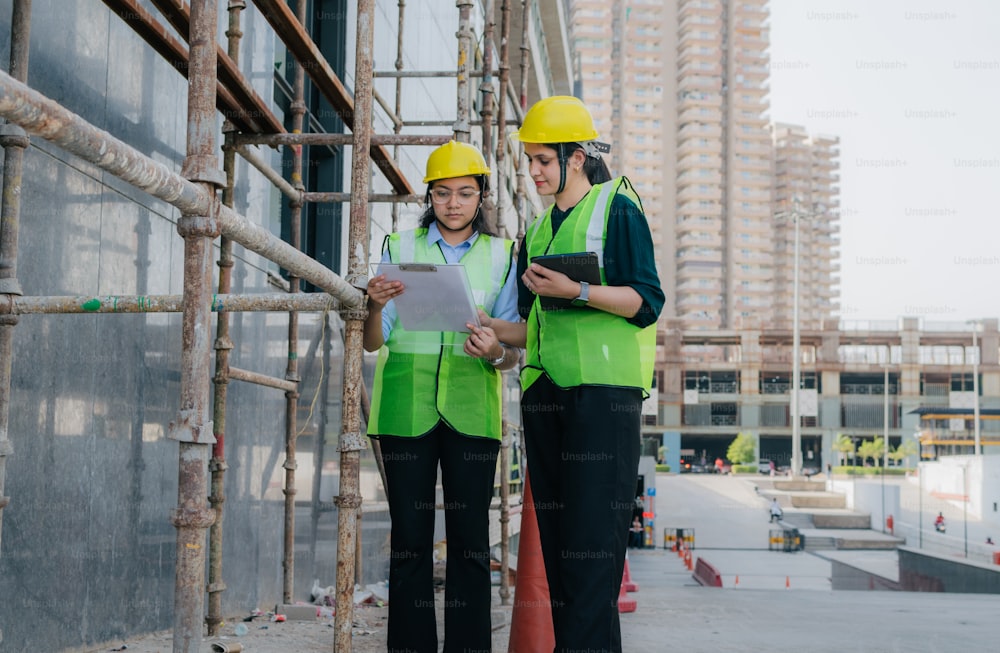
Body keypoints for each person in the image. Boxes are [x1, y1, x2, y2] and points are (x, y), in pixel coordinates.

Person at [487, 95, 663, 652]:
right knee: (563, 557)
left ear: (578, 157)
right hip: (545, 397)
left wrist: (579, 290)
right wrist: (490, 331)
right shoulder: (537, 234)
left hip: (603, 399)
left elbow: (647, 302)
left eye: (543, 160)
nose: (534, 171)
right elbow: (530, 327)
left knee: (592, 551)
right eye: (530, 161)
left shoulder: (618, 208)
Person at [364, 140, 519, 653]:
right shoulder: (399, 248)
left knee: (470, 545)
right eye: (443, 193)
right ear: (429, 196)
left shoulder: (502, 254)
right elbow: (373, 340)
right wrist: (371, 305)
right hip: (404, 408)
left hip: (472, 410)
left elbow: (511, 351)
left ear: (481, 197)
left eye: (465, 193)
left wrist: (495, 349)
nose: (454, 203)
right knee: (410, 540)